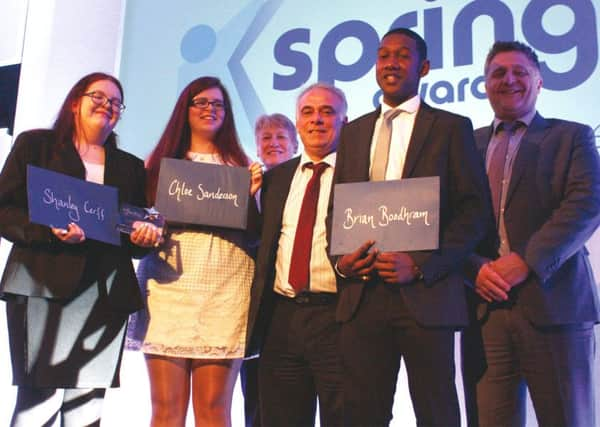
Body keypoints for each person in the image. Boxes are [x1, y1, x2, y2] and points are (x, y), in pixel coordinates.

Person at [331, 28, 491, 426]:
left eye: (402, 55)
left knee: (436, 412)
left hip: (426, 295)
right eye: (383, 55)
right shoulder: (352, 133)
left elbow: (473, 212)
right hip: (362, 296)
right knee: (361, 415)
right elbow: (337, 210)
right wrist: (343, 262)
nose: (391, 62)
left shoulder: (452, 127)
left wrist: (421, 265)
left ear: (424, 67)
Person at [0, 72, 161, 426]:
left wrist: (143, 240)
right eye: (99, 96)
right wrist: (47, 231)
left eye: (116, 102)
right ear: (75, 102)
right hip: (41, 288)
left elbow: (128, 233)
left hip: (106, 295)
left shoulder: (129, 167)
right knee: (37, 400)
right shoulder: (35, 146)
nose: (107, 105)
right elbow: (4, 210)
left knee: (88, 405)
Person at [461, 40, 600, 427]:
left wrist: (527, 261)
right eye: (498, 73)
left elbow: (586, 203)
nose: (509, 79)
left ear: (539, 82)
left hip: (555, 306)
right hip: (484, 309)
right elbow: (452, 221)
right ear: (485, 85)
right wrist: (474, 268)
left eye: (520, 71)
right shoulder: (465, 144)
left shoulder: (572, 136)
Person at [126, 76, 262, 427]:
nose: (210, 109)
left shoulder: (243, 167)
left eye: (218, 104)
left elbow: (257, 236)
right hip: (168, 288)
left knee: (215, 410)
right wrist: (143, 234)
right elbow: (141, 225)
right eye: (200, 102)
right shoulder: (157, 166)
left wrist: (251, 198)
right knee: (166, 410)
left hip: (226, 289)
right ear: (184, 109)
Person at [245, 82, 348, 427]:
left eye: (327, 111)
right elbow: (258, 241)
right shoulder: (276, 180)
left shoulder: (360, 174)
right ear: (298, 121)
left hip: (340, 318)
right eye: (308, 112)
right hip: (281, 320)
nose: (316, 119)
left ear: (344, 121)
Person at [241, 112, 298, 427]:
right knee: (256, 396)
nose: (273, 143)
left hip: (296, 304)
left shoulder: (308, 182)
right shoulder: (246, 184)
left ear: (295, 144)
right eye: (266, 138)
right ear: (257, 146)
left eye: (281, 137)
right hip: (256, 304)